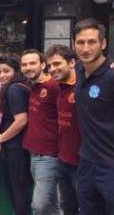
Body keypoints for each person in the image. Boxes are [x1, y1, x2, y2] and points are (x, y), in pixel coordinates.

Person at [72, 18, 114, 215]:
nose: (85, 48)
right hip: (87, 162)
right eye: (80, 42)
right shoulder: (79, 70)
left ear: (103, 44)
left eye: (92, 42)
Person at [20, 49, 60, 215]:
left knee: (39, 205)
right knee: (52, 204)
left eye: (32, 63)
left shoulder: (53, 86)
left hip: (49, 154)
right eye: (24, 64)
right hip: (33, 153)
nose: (28, 67)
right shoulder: (33, 87)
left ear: (43, 65)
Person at [0, 54, 31, 215]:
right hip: (16, 146)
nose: (2, 75)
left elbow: (21, 120)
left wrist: (2, 137)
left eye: (6, 71)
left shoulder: (14, 89)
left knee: (18, 190)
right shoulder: (17, 87)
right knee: (17, 189)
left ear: (16, 71)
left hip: (15, 148)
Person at [45, 44, 80, 215]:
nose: (52, 69)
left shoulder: (84, 87)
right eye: (50, 65)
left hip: (84, 163)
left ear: (72, 62)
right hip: (63, 159)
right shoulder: (56, 88)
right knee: (67, 208)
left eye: (57, 64)